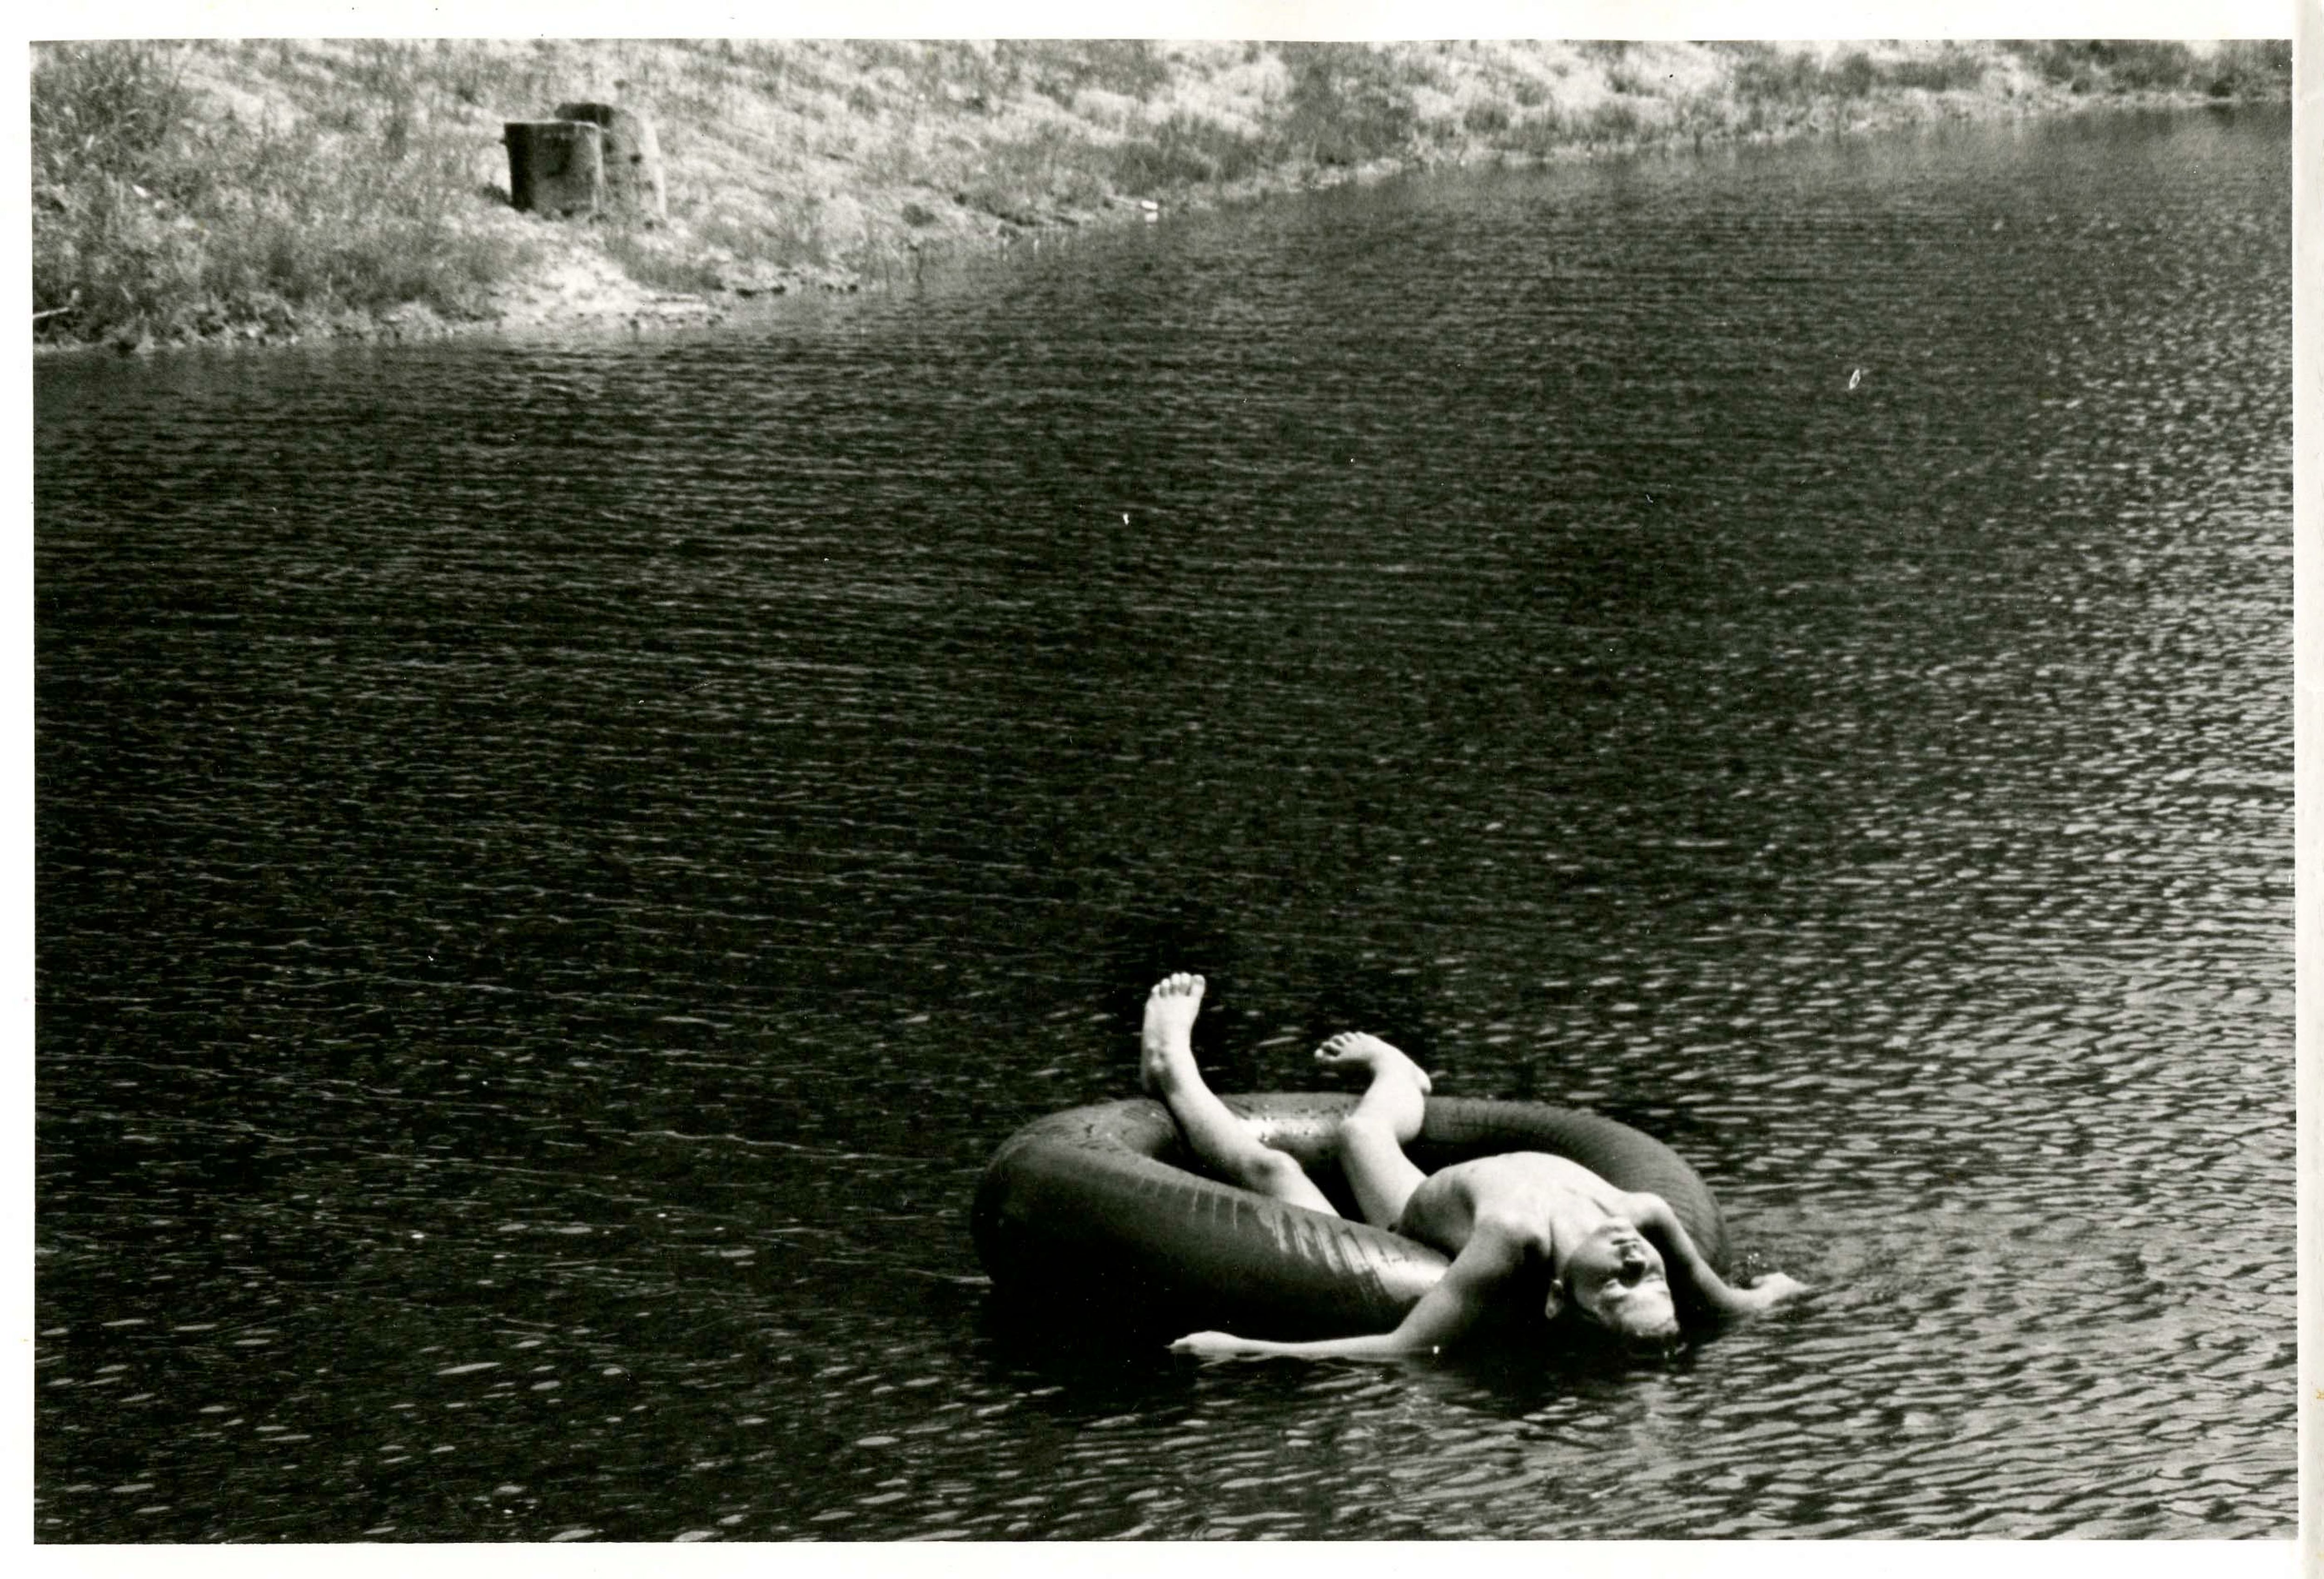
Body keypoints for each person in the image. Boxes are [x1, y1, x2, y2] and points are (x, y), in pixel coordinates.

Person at [1138, 972, 1808, 1359]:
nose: (1637, 1261)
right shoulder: (1645, 1216)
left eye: (1619, 1283)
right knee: (1360, 1131)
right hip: (1442, 1194)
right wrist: (1786, 1292)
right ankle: (1398, 1070)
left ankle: (1171, 1066)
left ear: (1558, 1297)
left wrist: (1250, 1349)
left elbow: (1403, 1346)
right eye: (1651, 1277)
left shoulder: (1514, 1239)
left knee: (1277, 1171)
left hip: (1401, 1232)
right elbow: (1733, 1305)